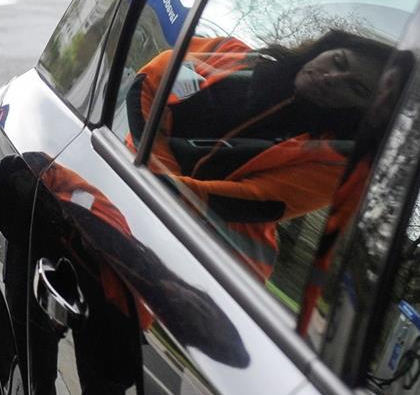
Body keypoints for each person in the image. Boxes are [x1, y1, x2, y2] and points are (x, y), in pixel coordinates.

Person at [123, 29, 392, 279]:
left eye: (357, 89)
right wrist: (161, 174)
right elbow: (152, 79)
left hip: (210, 264)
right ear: (324, 48)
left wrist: (153, 171)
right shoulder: (236, 56)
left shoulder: (332, 159)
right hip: (133, 194)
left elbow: (245, 200)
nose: (332, 78)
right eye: (339, 61)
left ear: (364, 113)